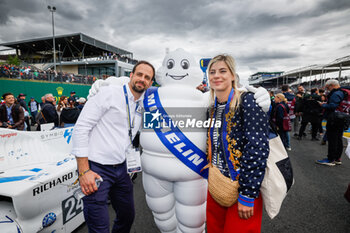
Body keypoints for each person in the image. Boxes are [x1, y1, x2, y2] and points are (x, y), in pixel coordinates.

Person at [71, 61, 155, 233]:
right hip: (96, 168)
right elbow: (81, 129)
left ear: (151, 83)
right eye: (139, 74)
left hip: (122, 169)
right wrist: (83, 171)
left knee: (127, 216)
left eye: (147, 77)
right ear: (131, 76)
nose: (142, 79)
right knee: (99, 226)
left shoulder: (144, 102)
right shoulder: (108, 93)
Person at [205, 54, 269, 233]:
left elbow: (257, 148)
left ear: (233, 75)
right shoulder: (211, 106)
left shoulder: (247, 101)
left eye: (222, 71)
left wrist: (248, 194)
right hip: (216, 184)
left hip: (242, 188)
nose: (216, 76)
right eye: (212, 72)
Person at [316, 79, 346, 166]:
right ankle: (337, 158)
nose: (327, 89)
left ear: (332, 85)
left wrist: (323, 105)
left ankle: (330, 159)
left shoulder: (336, 93)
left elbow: (333, 106)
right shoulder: (342, 92)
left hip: (334, 119)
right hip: (342, 117)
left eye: (327, 87)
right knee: (338, 138)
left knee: (333, 139)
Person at [281, 85, 295, 150]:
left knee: (282, 131)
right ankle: (288, 145)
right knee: (287, 130)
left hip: (283, 114)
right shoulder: (293, 96)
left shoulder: (280, 96)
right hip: (291, 115)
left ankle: (284, 145)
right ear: (288, 89)